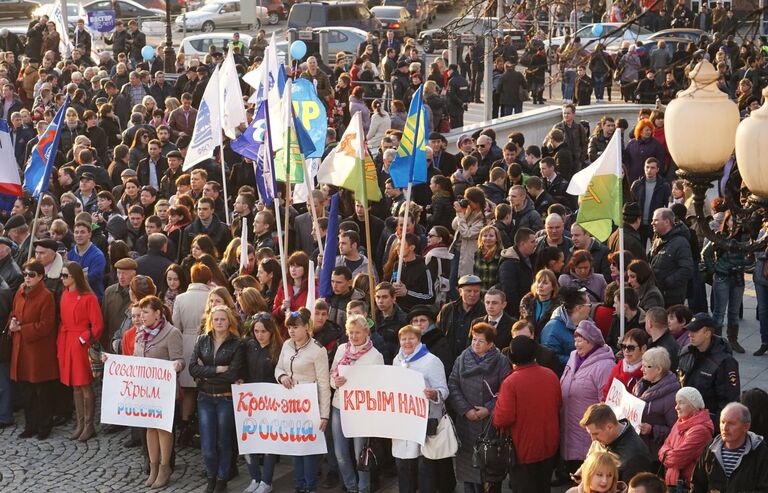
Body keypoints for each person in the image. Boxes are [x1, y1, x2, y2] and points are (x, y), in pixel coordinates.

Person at [448, 323, 511, 492]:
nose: (475, 344)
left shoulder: (501, 361)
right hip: (466, 423)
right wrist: (466, 409)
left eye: (481, 341)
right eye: (474, 339)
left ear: (490, 344)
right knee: (469, 471)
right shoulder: (463, 358)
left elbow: (506, 390)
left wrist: (488, 409)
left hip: (490, 424)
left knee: (489, 469)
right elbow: (453, 385)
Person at [189, 305, 245, 493]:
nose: (219, 322)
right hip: (204, 398)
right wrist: (217, 369)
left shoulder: (236, 343)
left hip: (225, 398)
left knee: (223, 441)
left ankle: (222, 478)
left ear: (229, 321)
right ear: (211, 321)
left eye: (223, 319)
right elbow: (192, 369)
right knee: (207, 444)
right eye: (216, 319)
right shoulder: (202, 340)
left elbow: (232, 375)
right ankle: (211, 476)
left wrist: (205, 373)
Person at [494, 335, 561, 493]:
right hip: (548, 445)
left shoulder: (511, 382)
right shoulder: (551, 375)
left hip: (522, 449)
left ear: (512, 357)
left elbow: (502, 418)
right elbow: (558, 404)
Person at [274, 308, 331, 493]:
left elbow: (324, 384)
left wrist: (324, 414)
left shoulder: (318, 350)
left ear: (306, 327)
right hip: (291, 402)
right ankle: (298, 484)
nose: (291, 330)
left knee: (309, 447)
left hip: (310, 401)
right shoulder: (287, 345)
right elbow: (279, 367)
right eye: (289, 327)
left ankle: (310, 486)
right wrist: (282, 376)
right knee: (294, 446)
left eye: (296, 327)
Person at [131, 296, 183, 489]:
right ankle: (153, 466)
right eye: (141, 312)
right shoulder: (140, 333)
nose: (141, 316)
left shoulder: (172, 333)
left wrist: (177, 365)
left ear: (157, 313)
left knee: (163, 429)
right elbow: (135, 359)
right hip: (145, 390)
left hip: (164, 391)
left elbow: (180, 359)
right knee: (150, 429)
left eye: (145, 312)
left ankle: (164, 467)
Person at [391, 324, 449, 493]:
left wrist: (434, 394)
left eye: (412, 338)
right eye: (404, 338)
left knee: (425, 467)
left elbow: (444, 390)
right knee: (403, 464)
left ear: (419, 340)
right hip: (403, 421)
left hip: (425, 420)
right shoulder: (397, 360)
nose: (407, 342)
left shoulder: (432, 361)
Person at [329, 314, 384, 493]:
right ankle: (351, 487)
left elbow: (379, 385)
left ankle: (363, 488)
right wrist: (334, 382)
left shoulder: (375, 355)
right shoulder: (341, 349)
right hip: (339, 405)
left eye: (357, 333)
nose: (353, 336)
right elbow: (332, 374)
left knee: (360, 453)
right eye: (351, 333)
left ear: (366, 332)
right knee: (340, 453)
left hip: (360, 410)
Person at [9, 260, 57, 440]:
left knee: (41, 391)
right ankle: (30, 425)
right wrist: (13, 321)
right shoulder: (20, 293)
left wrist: (23, 329)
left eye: (31, 275)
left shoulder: (46, 296)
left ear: (40, 277)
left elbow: (46, 325)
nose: (27, 278)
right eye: (25, 274)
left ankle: (44, 426)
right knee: (26, 392)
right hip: (21, 349)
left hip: (38, 352)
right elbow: (14, 312)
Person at [560, 321, 616, 472]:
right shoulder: (573, 356)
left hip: (587, 432)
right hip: (569, 425)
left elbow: (605, 403)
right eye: (575, 340)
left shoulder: (605, 365)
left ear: (592, 341)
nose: (576, 344)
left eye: (580, 340)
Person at [57, 261, 103, 442]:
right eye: (62, 275)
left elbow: (98, 325)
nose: (62, 279)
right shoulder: (65, 294)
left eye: (65, 275)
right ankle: (80, 423)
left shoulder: (88, 297)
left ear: (75, 277)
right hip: (67, 340)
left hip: (80, 343)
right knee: (74, 385)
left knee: (84, 384)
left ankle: (89, 425)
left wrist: (83, 338)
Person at [241, 312, 282, 493]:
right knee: (249, 440)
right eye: (256, 331)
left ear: (271, 332)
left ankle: (266, 480)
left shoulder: (278, 349)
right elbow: (241, 367)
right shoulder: (249, 346)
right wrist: (240, 378)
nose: (259, 335)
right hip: (250, 401)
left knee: (268, 443)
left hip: (270, 401)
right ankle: (254, 478)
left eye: (263, 331)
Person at [678, 312, 740, 428]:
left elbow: (729, 402)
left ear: (707, 333)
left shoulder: (724, 362)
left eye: (695, 331)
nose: (690, 335)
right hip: (685, 419)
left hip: (708, 425)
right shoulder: (686, 353)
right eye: (689, 330)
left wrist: (714, 427)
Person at [692, 402, 768, 492]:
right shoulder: (710, 450)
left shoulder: (760, 452)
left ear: (746, 426)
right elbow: (697, 485)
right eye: (722, 422)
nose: (725, 428)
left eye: (731, 423)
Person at [702, 210, 749, 353]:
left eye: (737, 220)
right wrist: (714, 269)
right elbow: (706, 253)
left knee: (734, 312)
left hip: (738, 278)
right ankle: (716, 343)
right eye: (731, 220)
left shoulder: (745, 238)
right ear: (726, 222)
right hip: (722, 277)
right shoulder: (720, 237)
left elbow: (752, 253)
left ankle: (733, 341)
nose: (734, 223)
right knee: (719, 313)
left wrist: (744, 264)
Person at [580, 404, 654, 483]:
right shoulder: (602, 438)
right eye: (590, 434)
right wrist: (583, 471)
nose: (593, 439)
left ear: (609, 427)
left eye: (595, 434)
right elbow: (589, 460)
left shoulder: (636, 456)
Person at [632, 347, 681, 459]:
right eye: (642, 365)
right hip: (637, 449)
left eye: (646, 366)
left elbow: (676, 430)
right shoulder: (641, 384)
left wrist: (652, 430)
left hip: (654, 455)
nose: (641, 369)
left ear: (658, 369)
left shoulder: (672, 396)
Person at [649, 208, 694, 307]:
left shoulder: (681, 242)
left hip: (672, 298)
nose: (652, 223)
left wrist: (667, 282)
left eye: (656, 220)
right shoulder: (657, 239)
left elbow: (687, 269)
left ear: (666, 222)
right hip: (657, 294)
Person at [436, 274, 486, 360]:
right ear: (460, 291)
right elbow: (438, 333)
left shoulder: (484, 311)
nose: (472, 294)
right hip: (447, 358)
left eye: (476, 291)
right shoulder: (448, 309)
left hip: (472, 361)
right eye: (469, 291)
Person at [541, 286, 593, 365]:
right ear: (579, 308)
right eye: (589, 305)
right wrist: (579, 361)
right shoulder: (552, 328)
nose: (590, 309)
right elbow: (551, 358)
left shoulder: (589, 324)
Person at [499, 227, 537, 318]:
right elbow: (509, 293)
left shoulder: (532, 257)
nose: (535, 244)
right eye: (532, 242)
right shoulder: (508, 265)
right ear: (522, 244)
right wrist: (519, 313)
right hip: (517, 313)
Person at [602, 328, 649, 400]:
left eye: (631, 347)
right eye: (623, 347)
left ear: (643, 348)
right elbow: (607, 391)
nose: (626, 351)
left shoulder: (648, 372)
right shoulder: (619, 366)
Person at [519, 268, 560, 339]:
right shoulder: (526, 302)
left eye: (545, 283)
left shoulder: (558, 308)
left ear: (553, 287)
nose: (540, 285)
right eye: (538, 282)